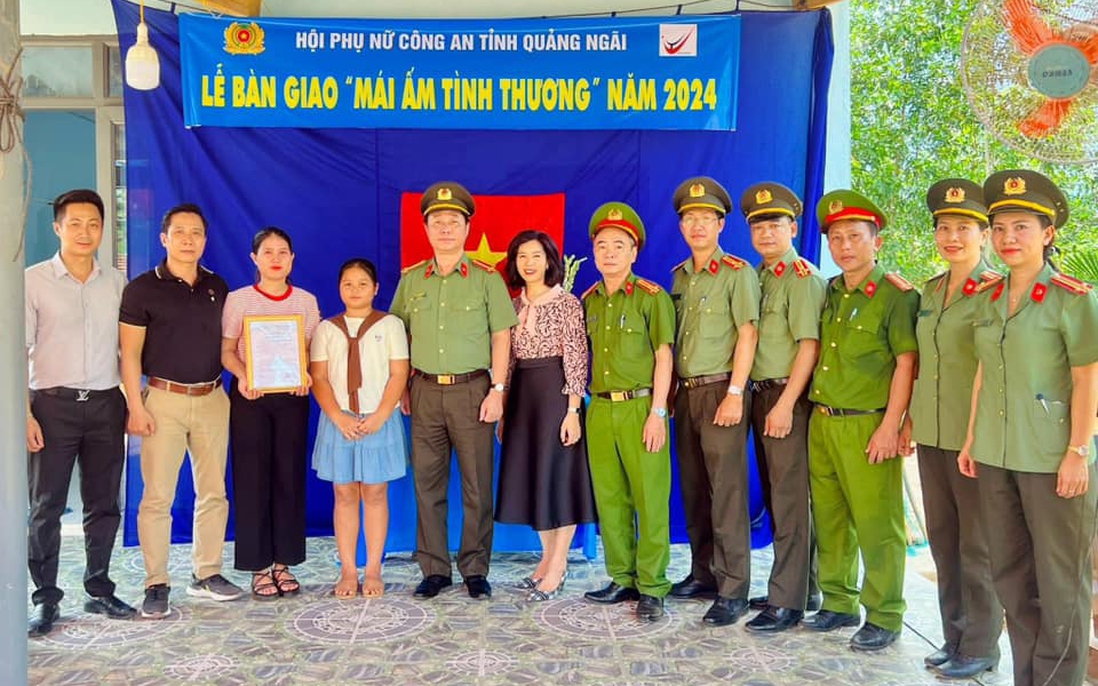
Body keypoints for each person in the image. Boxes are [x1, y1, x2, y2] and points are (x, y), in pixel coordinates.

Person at [958, 169, 1098, 686]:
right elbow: (983, 374)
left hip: (1052, 457)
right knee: (1012, 579)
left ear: (1048, 233)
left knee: (1060, 584)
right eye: (1000, 228)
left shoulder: (1072, 297)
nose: (1008, 238)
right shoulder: (989, 298)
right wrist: (973, 438)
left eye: (1021, 226)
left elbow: (1088, 378)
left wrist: (1078, 452)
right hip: (996, 455)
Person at [801, 190, 918, 651]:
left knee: (877, 523)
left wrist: (892, 425)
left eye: (854, 236)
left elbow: (907, 363)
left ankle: (886, 614)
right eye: (835, 238)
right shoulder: (832, 291)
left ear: (876, 242)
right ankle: (838, 601)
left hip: (868, 424)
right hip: (824, 420)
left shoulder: (896, 295)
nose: (844, 245)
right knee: (830, 519)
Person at [390, 182, 518, 600]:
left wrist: (498, 389)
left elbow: (502, 337)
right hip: (424, 392)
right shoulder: (412, 281)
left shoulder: (485, 279)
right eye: (437, 222)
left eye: (453, 222)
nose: (445, 229)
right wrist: (403, 386)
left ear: (467, 229)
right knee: (428, 485)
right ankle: (434, 568)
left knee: (478, 485)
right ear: (426, 230)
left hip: (473, 391)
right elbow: (397, 336)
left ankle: (475, 569)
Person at [120, 203, 244, 618]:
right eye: (180, 232)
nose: (188, 239)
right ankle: (156, 582)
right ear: (164, 238)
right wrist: (135, 406)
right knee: (157, 497)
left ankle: (206, 572)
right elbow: (129, 355)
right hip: (163, 400)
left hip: (212, 398)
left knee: (214, 492)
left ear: (205, 240)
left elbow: (232, 344)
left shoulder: (218, 286)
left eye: (196, 233)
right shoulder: (141, 289)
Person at [904, 179, 1002, 678]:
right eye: (944, 227)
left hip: (975, 439)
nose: (952, 236)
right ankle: (954, 636)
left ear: (984, 236)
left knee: (977, 545)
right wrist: (909, 420)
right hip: (933, 433)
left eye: (964, 227)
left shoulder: (994, 292)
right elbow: (922, 362)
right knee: (943, 540)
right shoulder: (930, 291)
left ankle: (983, 645)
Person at [25, 189, 134, 635]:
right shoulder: (31, 280)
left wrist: (133, 401)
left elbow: (128, 351)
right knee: (45, 507)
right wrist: (23, 415)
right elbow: (16, 350)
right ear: (57, 227)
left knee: (104, 502)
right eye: (75, 223)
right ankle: (45, 598)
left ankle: (99, 588)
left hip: (107, 403)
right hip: (52, 406)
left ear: (103, 229)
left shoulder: (116, 283)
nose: (85, 232)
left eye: (93, 223)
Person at [666, 177, 761, 627]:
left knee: (726, 491)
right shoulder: (679, 277)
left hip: (722, 391)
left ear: (721, 224)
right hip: (685, 393)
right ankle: (702, 573)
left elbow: (748, 333)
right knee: (694, 488)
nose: (697, 225)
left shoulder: (738, 273)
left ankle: (733, 588)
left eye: (706, 218)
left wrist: (737, 392)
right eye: (689, 219)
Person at [581, 201, 676, 621]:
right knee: (611, 498)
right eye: (602, 245)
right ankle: (622, 578)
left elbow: (664, 357)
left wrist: (658, 412)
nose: (610, 253)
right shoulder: (589, 300)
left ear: (634, 252)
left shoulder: (651, 297)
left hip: (641, 408)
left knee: (650, 499)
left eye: (619, 245)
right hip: (600, 409)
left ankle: (652, 585)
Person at [739, 182, 827, 632]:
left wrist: (787, 404)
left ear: (793, 227)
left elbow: (809, 347)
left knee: (791, 500)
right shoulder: (757, 277)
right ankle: (801, 587)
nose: (766, 232)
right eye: (758, 225)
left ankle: (788, 601)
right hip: (760, 393)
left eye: (774, 224)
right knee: (778, 497)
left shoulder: (802, 278)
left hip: (784, 397)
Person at [495, 230, 597, 601]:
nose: (529, 263)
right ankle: (544, 560)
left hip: (556, 395)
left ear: (549, 259)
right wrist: (504, 408)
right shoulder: (512, 305)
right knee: (533, 477)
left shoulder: (567, 302)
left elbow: (576, 356)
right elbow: (506, 361)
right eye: (522, 256)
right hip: (523, 397)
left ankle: (558, 566)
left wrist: (573, 410)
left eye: (536, 255)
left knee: (559, 479)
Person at [220, 227, 321, 599]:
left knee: (289, 476)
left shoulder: (307, 302)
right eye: (268, 251)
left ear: (292, 259)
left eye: (283, 251)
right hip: (250, 395)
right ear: (255, 259)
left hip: (293, 395)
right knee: (251, 478)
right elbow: (227, 351)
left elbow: (311, 350)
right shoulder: (239, 300)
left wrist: (306, 372)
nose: (276, 258)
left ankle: (285, 562)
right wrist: (244, 375)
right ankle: (258, 566)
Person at [311, 258, 409, 599]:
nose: (355, 290)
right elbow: (319, 378)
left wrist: (382, 414)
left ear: (376, 288)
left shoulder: (391, 325)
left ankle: (373, 569)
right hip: (339, 419)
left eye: (362, 284)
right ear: (339, 288)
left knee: (375, 492)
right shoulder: (326, 329)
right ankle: (348, 570)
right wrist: (338, 416)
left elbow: (399, 373)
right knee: (344, 493)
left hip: (377, 418)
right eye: (348, 284)